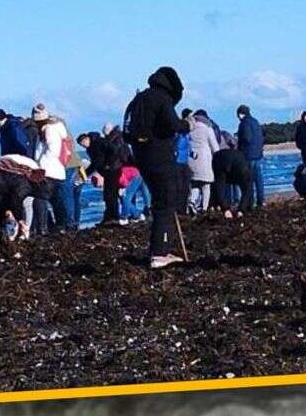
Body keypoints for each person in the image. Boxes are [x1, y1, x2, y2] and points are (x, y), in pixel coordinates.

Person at [123, 67, 190, 268]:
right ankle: (160, 252)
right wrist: (186, 125)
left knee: (159, 201)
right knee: (166, 202)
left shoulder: (137, 100)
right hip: (159, 155)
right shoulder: (161, 98)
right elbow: (172, 125)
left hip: (141, 157)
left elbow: (127, 130)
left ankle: (158, 250)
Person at [32, 104, 74, 233]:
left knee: (40, 199)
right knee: (57, 201)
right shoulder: (51, 129)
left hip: (49, 171)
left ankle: (45, 228)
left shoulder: (49, 130)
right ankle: (61, 225)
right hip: (57, 171)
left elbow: (52, 151)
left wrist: (39, 166)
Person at [78, 125, 130, 225]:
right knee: (108, 195)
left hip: (113, 170)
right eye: (81, 145)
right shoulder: (92, 146)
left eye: (83, 143)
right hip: (109, 171)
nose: (83, 146)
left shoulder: (97, 143)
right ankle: (109, 217)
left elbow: (100, 160)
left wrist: (108, 164)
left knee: (111, 195)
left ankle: (114, 217)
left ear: (87, 139)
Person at [186, 109, 221, 213]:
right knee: (206, 185)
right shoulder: (207, 129)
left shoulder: (190, 129)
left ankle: (192, 203)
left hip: (191, 159)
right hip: (205, 160)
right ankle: (204, 208)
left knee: (195, 183)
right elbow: (215, 147)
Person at [236, 105, 266, 208]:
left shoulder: (244, 124)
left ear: (241, 114)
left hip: (248, 155)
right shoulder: (256, 122)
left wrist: (240, 150)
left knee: (249, 181)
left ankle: (250, 202)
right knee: (259, 180)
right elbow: (261, 137)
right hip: (258, 154)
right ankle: (261, 201)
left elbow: (246, 138)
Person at [212, 147, 255, 218]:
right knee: (219, 184)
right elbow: (220, 186)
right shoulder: (245, 173)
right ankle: (220, 206)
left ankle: (222, 206)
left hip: (230, 159)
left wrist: (241, 209)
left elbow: (247, 191)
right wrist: (226, 209)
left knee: (219, 185)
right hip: (220, 159)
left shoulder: (246, 173)